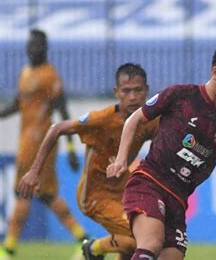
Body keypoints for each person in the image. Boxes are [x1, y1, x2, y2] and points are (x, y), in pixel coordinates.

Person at [106, 43, 216, 260]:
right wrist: (121, 160)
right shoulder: (181, 95)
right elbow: (134, 119)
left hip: (178, 199)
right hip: (149, 182)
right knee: (151, 243)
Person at [19, 63, 159, 260]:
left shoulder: (149, 121)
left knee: (134, 245)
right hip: (95, 195)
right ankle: (92, 249)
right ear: (116, 92)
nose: (133, 97)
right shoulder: (101, 120)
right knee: (143, 238)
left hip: (123, 193)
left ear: (147, 90)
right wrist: (34, 171)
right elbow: (57, 128)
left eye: (138, 90)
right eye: (126, 91)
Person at [0, 29, 86, 260]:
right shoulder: (26, 72)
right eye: (29, 45)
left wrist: (70, 149)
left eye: (36, 45)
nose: (31, 49)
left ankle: (8, 249)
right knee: (47, 195)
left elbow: (63, 110)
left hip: (41, 144)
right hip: (25, 141)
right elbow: (19, 103)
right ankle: (83, 239)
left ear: (45, 48)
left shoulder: (50, 76)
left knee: (22, 192)